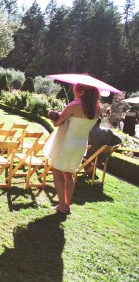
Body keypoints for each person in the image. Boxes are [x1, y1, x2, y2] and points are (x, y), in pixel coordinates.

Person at [44, 83, 101, 214]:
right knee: (69, 174)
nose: (73, 93)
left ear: (81, 92)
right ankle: (67, 205)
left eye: (75, 91)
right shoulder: (97, 108)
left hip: (67, 142)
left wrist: (54, 116)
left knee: (57, 172)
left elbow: (58, 123)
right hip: (81, 144)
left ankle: (61, 204)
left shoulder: (74, 106)